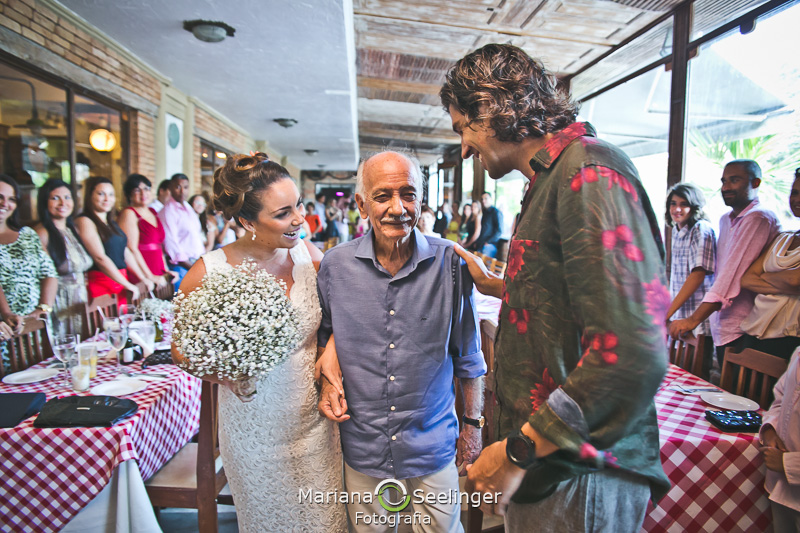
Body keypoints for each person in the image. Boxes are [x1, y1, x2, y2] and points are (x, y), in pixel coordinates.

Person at [441, 43, 670, 531]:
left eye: (463, 127)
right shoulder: (552, 175)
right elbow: (566, 300)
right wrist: (501, 285)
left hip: (577, 470)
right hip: (554, 467)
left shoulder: (587, 171)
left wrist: (519, 451)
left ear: (491, 108)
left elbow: (630, 353)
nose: (463, 147)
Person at [172, 153, 346, 532]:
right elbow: (181, 350)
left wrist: (328, 353)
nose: (299, 218)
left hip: (314, 423)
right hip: (254, 431)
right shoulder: (209, 271)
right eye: (283, 213)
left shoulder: (307, 257)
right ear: (248, 221)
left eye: (298, 204)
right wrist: (225, 372)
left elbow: (338, 319)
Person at [316, 151, 485, 532]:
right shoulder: (335, 267)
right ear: (361, 205)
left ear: (421, 201)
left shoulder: (451, 263)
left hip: (432, 441)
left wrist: (473, 426)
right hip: (363, 442)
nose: (398, 208)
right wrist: (327, 379)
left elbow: (469, 356)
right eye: (382, 196)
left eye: (408, 194)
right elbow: (326, 338)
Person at [669, 160, 780, 367]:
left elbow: (729, 276)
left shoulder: (758, 218)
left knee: (739, 395)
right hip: (719, 322)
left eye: (734, 180)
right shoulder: (725, 220)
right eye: (723, 181)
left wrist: (693, 319)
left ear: (755, 183)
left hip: (747, 325)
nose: (726, 187)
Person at [739, 171, 800, 359]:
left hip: (787, 338)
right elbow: (747, 279)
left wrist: (765, 277)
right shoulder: (783, 237)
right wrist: (789, 285)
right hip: (754, 330)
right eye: (795, 192)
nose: (797, 199)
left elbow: (795, 280)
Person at [0, 174, 57, 369]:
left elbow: (49, 273)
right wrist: (5, 313)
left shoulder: (27, 235)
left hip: (32, 334)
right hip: (3, 333)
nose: (4, 204)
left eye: (11, 199)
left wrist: (43, 308)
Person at [664, 183, 716, 378]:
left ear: (694, 207)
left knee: (695, 380)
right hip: (680, 318)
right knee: (676, 378)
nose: (677, 209)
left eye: (684, 204)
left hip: (698, 320)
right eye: (673, 204)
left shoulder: (701, 229)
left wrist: (667, 313)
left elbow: (698, 274)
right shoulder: (677, 231)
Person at [34, 179, 93, 336]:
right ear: (44, 202)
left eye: (67, 197)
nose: (63, 203)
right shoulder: (42, 233)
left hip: (80, 300)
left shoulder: (72, 229)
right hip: (58, 303)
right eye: (55, 198)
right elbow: (43, 275)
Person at [75, 176, 147, 305]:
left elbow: (124, 251)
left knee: (124, 321)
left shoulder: (111, 222)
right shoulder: (85, 221)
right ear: (90, 195)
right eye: (101, 194)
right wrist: (126, 284)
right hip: (101, 281)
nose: (107, 199)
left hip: (120, 279)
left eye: (111, 194)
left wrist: (143, 278)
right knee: (108, 323)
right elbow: (99, 258)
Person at [759, 346, 800, 531]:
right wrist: (770, 430)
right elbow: (780, 399)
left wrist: (788, 463)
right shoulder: (798, 353)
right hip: (780, 488)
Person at [118, 174, 171, 291]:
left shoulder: (152, 212)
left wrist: (166, 271)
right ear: (129, 194)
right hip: (142, 270)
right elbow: (131, 249)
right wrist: (149, 276)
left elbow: (159, 245)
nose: (143, 193)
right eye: (137, 190)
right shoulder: (129, 213)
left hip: (159, 268)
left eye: (146, 189)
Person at [157, 173, 205, 289]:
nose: (182, 191)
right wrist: (193, 267)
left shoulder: (188, 208)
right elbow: (171, 244)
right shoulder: (168, 211)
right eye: (178, 187)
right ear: (170, 188)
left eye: (186, 187)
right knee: (184, 304)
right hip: (182, 266)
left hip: (196, 262)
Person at [473, 192, 504, 258]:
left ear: (491, 199)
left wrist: (488, 242)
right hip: (480, 244)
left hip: (489, 245)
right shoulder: (482, 212)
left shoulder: (496, 212)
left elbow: (499, 231)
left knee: (484, 267)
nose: (483, 201)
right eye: (482, 199)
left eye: (486, 199)